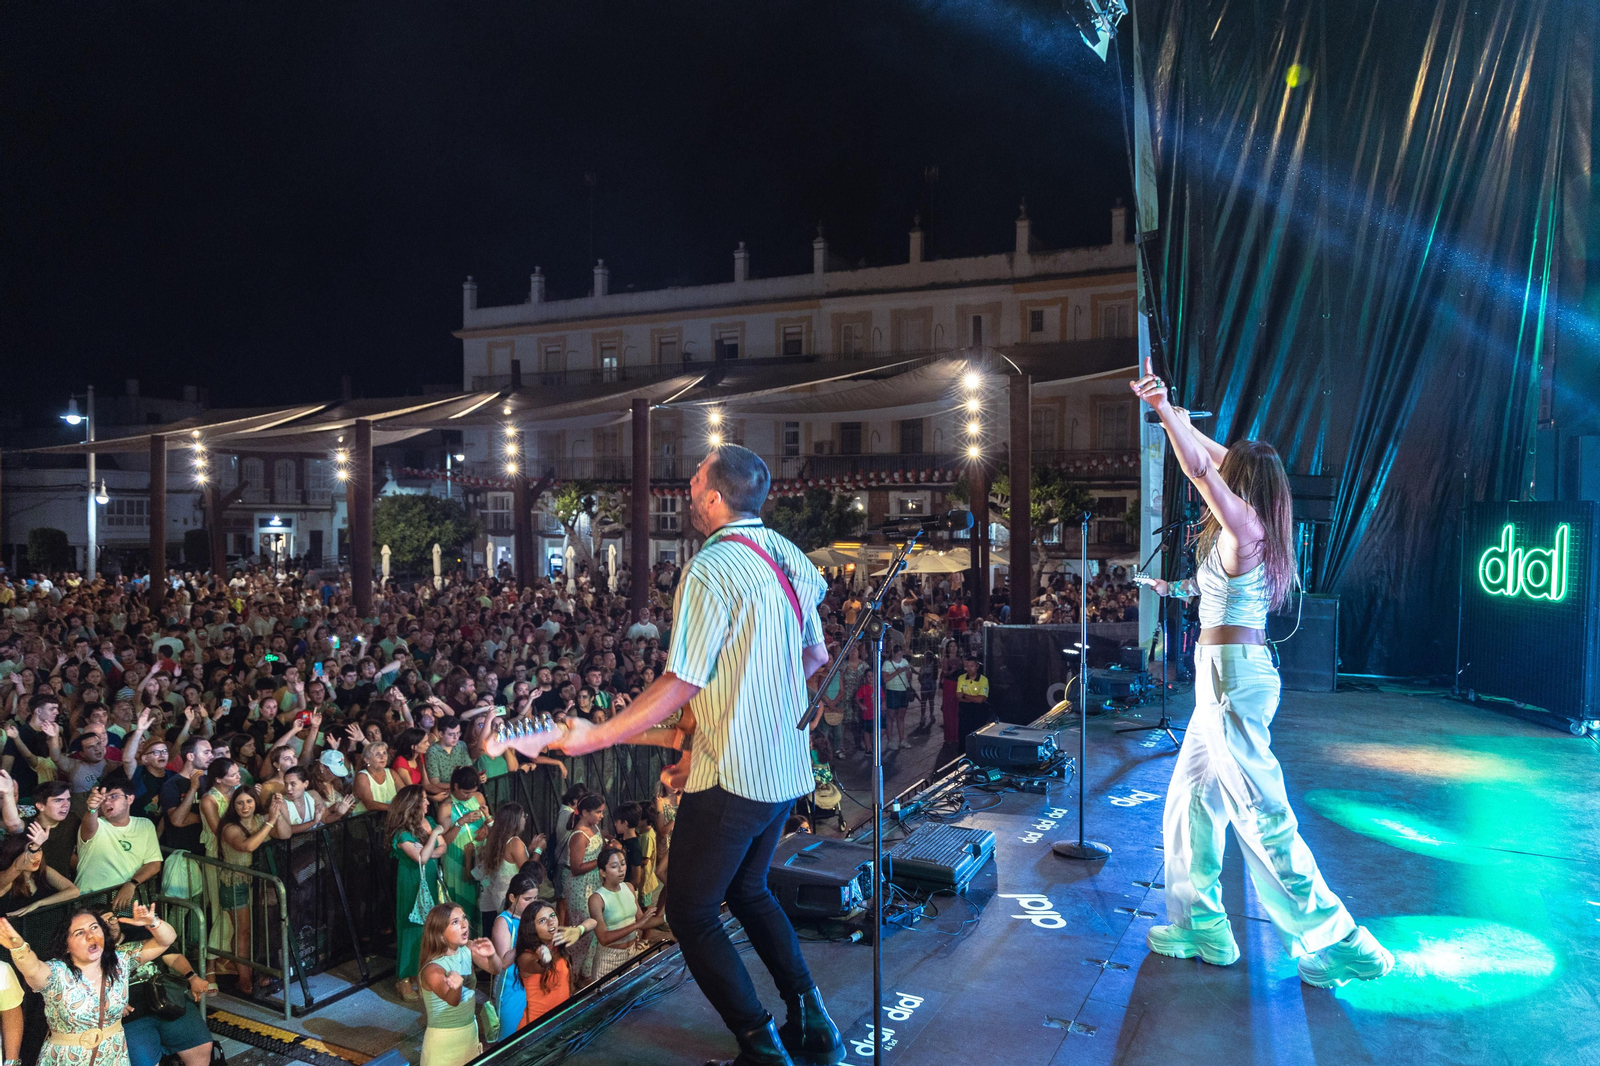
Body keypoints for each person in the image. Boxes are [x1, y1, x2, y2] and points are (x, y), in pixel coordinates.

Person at [552, 447, 845, 1066]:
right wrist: (740, 716)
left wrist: (597, 735)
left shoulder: (710, 568)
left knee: (689, 911)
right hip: (785, 767)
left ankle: (761, 1046)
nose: (687, 488)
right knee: (750, 890)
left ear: (714, 496)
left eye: (695, 480)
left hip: (735, 775)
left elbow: (681, 680)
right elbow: (815, 658)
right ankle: (813, 1021)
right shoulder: (788, 555)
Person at [1132, 358, 1392, 987]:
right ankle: (1201, 925)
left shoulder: (1244, 524)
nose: (1222, 469)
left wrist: (1164, 410)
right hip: (1224, 676)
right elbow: (1214, 459)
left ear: (1242, 482)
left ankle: (1341, 940)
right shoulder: (1263, 519)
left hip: (1230, 679)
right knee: (1190, 801)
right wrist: (1175, 420)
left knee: (1259, 814)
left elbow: (1201, 468)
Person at [0, 903, 177, 1066]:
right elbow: (32, 968)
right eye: (79, 933)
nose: (90, 935)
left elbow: (166, 941)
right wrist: (18, 948)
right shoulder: (57, 972)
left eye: (94, 927)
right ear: (66, 945)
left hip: (114, 1056)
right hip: (65, 1060)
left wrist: (153, 923)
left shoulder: (120, 960)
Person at [217, 786, 284, 996]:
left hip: (259, 882)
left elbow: (285, 834)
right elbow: (247, 846)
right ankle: (244, 978)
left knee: (260, 928)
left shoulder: (260, 819)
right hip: (235, 883)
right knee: (243, 931)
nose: (245, 806)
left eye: (249, 801)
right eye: (240, 802)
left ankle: (257, 971)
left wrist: (278, 813)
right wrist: (270, 821)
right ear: (233, 806)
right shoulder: (229, 827)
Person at [417, 903, 500, 1066]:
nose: (464, 925)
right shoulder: (433, 969)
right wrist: (456, 987)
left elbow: (495, 969)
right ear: (440, 933)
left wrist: (492, 955)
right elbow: (453, 1000)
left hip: (470, 1031)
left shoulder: (467, 949)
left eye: (464, 918)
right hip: (445, 1041)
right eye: (455, 922)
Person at [388, 785, 446, 1001]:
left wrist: (428, 851)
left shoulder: (428, 821)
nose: (428, 802)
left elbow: (443, 848)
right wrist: (434, 837)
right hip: (412, 882)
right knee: (411, 926)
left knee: (427, 928)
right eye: (423, 799)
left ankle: (419, 973)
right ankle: (403, 978)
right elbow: (419, 858)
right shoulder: (402, 833)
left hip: (429, 879)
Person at [75, 771, 163, 906]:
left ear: (130, 799)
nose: (107, 802)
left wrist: (132, 883)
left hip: (126, 898)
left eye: (113, 796)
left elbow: (154, 863)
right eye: (103, 799)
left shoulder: (145, 825)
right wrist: (92, 809)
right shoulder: (97, 824)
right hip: (90, 899)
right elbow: (89, 825)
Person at [587, 843, 663, 980]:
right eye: (614, 866)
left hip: (632, 953)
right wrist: (636, 926)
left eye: (623, 864)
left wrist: (668, 918)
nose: (621, 869)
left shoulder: (629, 887)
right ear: (602, 872)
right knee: (609, 994)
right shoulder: (597, 899)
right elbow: (603, 938)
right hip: (609, 959)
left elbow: (643, 922)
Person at [514, 901, 587, 1029]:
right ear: (531, 928)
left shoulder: (560, 940)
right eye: (542, 921)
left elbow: (593, 922)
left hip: (562, 1020)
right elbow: (539, 966)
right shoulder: (525, 956)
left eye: (552, 916)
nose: (550, 922)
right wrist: (544, 958)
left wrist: (578, 930)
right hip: (537, 1028)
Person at [0, 822, 80, 917]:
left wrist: (39, 903)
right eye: (31, 852)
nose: (36, 856)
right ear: (16, 854)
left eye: (39, 850)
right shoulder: (7, 879)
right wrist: (34, 847)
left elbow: (74, 891)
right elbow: (17, 866)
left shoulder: (44, 870)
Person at [954, 657, 989, 743]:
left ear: (977, 666)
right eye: (967, 666)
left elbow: (980, 699)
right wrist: (974, 698)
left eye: (972, 666)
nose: (969, 668)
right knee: (963, 736)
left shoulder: (983, 680)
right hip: (965, 711)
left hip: (978, 711)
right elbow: (958, 696)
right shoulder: (961, 678)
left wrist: (965, 695)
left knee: (978, 736)